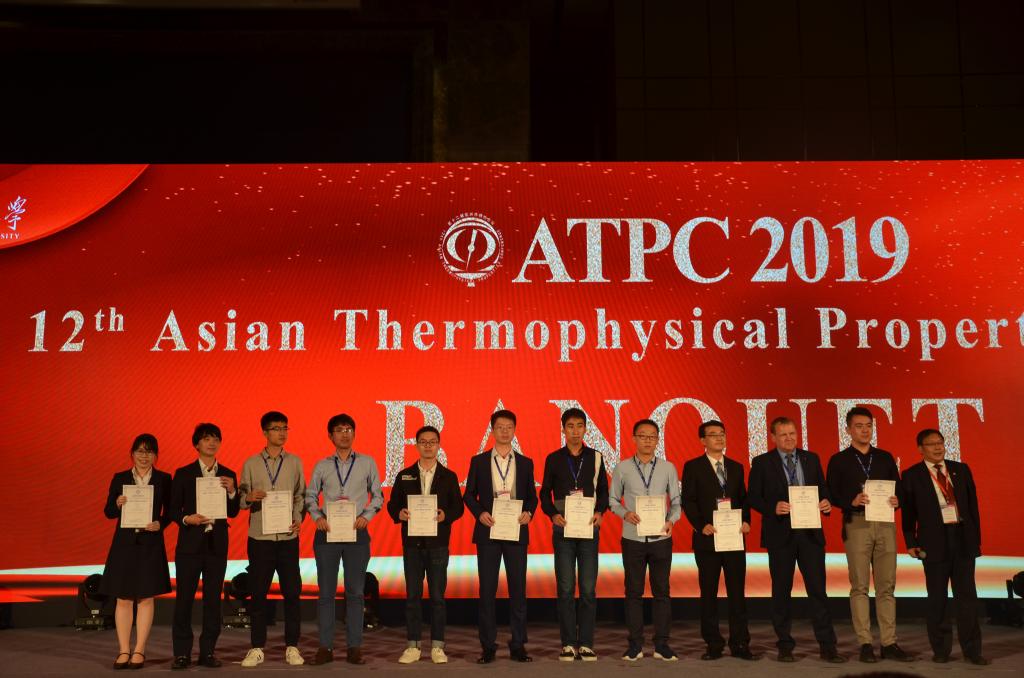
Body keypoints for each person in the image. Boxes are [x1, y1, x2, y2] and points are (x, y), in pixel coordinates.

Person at [748, 416, 843, 663]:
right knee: (781, 592)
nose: (789, 438)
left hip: (810, 534)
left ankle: (827, 646)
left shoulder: (811, 458)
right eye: (783, 434)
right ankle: (785, 645)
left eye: (792, 433)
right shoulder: (761, 462)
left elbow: (823, 488)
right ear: (773, 437)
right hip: (780, 535)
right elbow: (753, 497)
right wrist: (772, 507)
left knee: (818, 591)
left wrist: (826, 502)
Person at [825, 407, 910, 663]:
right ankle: (865, 643)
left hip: (884, 523)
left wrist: (897, 500)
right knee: (860, 586)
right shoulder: (839, 460)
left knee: (887, 587)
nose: (865, 430)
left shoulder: (884, 457)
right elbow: (831, 494)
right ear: (848, 429)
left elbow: (899, 490)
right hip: (857, 523)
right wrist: (850, 501)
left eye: (869, 426)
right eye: (859, 426)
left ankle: (889, 642)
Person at [902, 429, 988, 665]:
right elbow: (908, 513)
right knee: (937, 599)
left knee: (967, 598)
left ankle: (972, 650)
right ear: (920, 449)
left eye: (940, 442)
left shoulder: (961, 469)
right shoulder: (911, 475)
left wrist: (975, 540)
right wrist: (911, 542)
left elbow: (972, 507)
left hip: (962, 539)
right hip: (933, 542)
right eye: (931, 444)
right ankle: (941, 650)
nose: (938, 447)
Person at [305, 413, 384, 666]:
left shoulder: (367, 462)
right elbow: (309, 496)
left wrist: (366, 516)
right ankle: (325, 647)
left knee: (356, 593)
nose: (344, 434)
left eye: (349, 429)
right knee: (326, 593)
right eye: (339, 430)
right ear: (330, 436)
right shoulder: (322, 465)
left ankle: (354, 647)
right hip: (327, 531)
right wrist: (317, 517)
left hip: (356, 531)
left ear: (354, 433)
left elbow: (378, 496)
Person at [463, 409, 538, 663]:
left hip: (516, 531)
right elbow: (468, 495)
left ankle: (518, 645)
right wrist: (480, 513)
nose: (504, 431)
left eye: (509, 427)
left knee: (518, 590)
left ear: (514, 430)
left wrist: (529, 512)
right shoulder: (479, 461)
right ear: (492, 430)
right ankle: (487, 646)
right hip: (489, 531)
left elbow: (532, 497)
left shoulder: (526, 463)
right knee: (487, 591)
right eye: (500, 427)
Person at [386, 425, 465, 664]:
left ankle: (438, 646)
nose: (428, 446)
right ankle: (413, 645)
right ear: (417, 445)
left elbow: (458, 507)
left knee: (438, 597)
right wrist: (398, 513)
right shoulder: (404, 475)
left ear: (439, 445)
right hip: (412, 544)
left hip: (438, 544)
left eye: (432, 442)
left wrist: (445, 515)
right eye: (423, 442)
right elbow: (393, 505)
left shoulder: (449, 476)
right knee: (413, 596)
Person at [680, 420, 756, 661]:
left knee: (737, 594)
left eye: (722, 434)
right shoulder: (693, 467)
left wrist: (746, 520)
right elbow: (688, 500)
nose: (719, 438)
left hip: (734, 539)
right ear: (703, 440)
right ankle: (713, 643)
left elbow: (743, 499)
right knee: (709, 593)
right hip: (708, 539)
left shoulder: (736, 467)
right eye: (713, 435)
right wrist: (700, 524)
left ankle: (740, 643)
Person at [539, 407, 609, 661]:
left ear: (586, 429)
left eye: (580, 426)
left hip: (589, 529)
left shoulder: (596, 457)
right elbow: (544, 493)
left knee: (588, 589)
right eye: (570, 426)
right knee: (566, 588)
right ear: (563, 429)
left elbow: (604, 491)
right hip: (563, 529)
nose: (575, 431)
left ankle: (587, 643)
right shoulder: (554, 458)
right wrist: (552, 514)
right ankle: (568, 643)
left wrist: (600, 512)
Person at [238, 411, 307, 668]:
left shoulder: (295, 462)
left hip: (288, 536)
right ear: (265, 432)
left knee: (292, 593)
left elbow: (300, 495)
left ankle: (292, 646)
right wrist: (249, 498)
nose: (282, 433)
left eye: (285, 428)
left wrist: (298, 518)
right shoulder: (251, 463)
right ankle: (256, 647)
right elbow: (240, 499)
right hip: (260, 537)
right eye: (276, 428)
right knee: (258, 594)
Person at [170, 423, 241, 670]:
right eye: (206, 439)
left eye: (215, 439)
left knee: (213, 601)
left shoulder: (228, 474)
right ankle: (182, 653)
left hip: (216, 545)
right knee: (184, 600)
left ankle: (208, 652)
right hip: (190, 545)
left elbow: (233, 511)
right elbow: (172, 509)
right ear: (196, 444)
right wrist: (186, 519)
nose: (212, 443)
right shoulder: (184, 473)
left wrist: (232, 492)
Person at [609, 419, 681, 662]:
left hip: (661, 537)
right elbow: (612, 501)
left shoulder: (668, 468)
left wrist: (671, 520)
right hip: (633, 538)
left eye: (652, 436)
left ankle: (662, 645)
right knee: (633, 593)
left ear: (658, 440)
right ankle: (635, 645)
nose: (648, 440)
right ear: (634, 439)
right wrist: (625, 513)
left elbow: (677, 502)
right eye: (643, 436)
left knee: (662, 592)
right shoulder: (622, 468)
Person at [100, 433, 172, 670]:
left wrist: (160, 523)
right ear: (132, 454)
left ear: (156, 455)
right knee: (123, 598)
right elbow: (108, 512)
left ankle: (139, 649)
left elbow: (171, 512)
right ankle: (123, 650)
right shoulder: (120, 478)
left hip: (150, 544)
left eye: (149, 451)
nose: (144, 456)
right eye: (140, 451)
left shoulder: (164, 479)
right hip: (124, 545)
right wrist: (117, 503)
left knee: (146, 597)